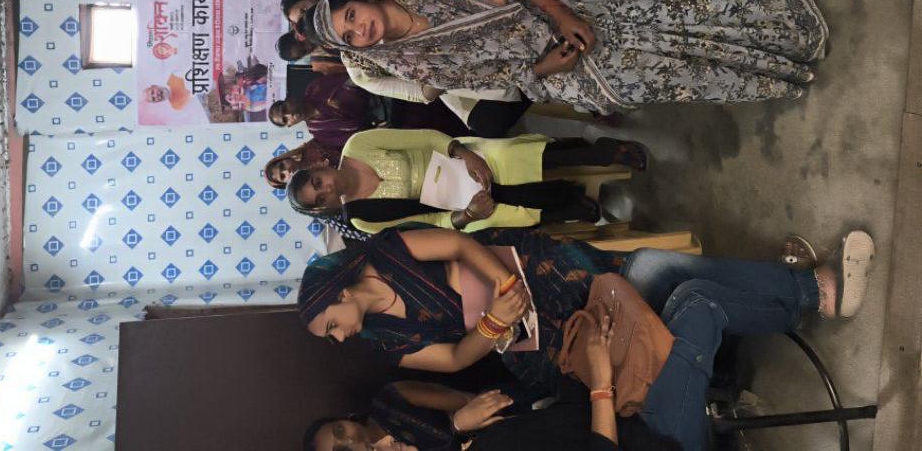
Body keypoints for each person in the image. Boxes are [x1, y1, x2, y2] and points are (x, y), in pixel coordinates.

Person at [297, 225, 875, 449]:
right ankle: (788, 298)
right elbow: (452, 361)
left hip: (528, 283)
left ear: (337, 293)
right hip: (530, 352)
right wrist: (495, 326)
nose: (340, 338)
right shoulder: (385, 342)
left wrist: (506, 288)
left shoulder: (387, 255)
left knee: (649, 271)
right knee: (672, 298)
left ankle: (800, 294)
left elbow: (459, 245)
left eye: (330, 326)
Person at [300, 0, 828, 114]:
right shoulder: (407, 61)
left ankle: (788, 29)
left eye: (351, 16)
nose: (360, 29)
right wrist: (543, 68)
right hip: (543, 60)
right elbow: (492, 79)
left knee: (643, 11)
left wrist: (562, 17)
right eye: (351, 37)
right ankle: (773, 75)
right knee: (623, 81)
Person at [286, 127, 644, 234]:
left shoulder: (358, 146)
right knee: (493, 220)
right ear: (325, 208)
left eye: (317, 183)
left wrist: (465, 154)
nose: (326, 190)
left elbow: (424, 138)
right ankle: (566, 207)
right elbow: (429, 225)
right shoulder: (362, 219)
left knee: (506, 156)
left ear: (321, 167)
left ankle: (602, 153)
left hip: (457, 156)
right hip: (456, 207)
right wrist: (467, 215)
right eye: (320, 200)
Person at [303, 379, 678, 451]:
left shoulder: (391, 400)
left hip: (511, 415)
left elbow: (476, 402)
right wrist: (455, 430)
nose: (349, 439)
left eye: (339, 430)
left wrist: (466, 421)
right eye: (341, 450)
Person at [269, 73, 382, 152]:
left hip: (375, 89)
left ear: (289, 101)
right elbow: (357, 138)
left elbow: (349, 79)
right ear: (290, 125)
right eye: (285, 119)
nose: (290, 115)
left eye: (285, 109)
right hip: (380, 123)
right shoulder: (320, 134)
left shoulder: (315, 88)